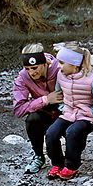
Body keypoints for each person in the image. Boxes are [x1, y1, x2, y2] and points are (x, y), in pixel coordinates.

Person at [44, 42, 93, 177]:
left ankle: (72, 165)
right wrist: (62, 107)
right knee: (51, 133)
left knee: (72, 132)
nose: (59, 66)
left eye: (62, 63)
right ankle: (57, 163)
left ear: (74, 64)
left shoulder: (92, 81)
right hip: (68, 113)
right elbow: (59, 94)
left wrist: (92, 112)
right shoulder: (60, 75)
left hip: (87, 116)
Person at [11, 43, 59, 172]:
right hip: (44, 111)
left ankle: (71, 160)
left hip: (66, 110)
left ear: (44, 63)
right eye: (27, 68)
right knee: (32, 119)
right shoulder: (22, 77)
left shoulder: (60, 68)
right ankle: (38, 156)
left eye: (34, 67)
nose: (31, 72)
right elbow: (18, 110)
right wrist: (45, 100)